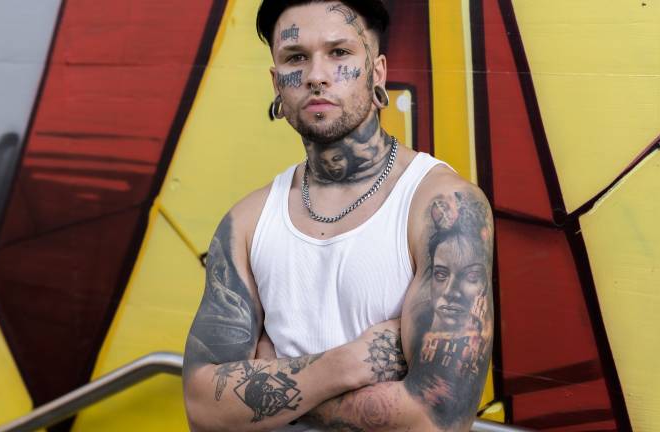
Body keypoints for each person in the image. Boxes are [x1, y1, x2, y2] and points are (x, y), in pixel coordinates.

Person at [182, 1, 494, 431]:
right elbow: (203, 408)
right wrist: (349, 363)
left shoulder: (442, 207)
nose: (316, 75)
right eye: (296, 58)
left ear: (377, 72)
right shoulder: (247, 223)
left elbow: (437, 418)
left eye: (339, 53)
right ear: (276, 83)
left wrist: (264, 384)